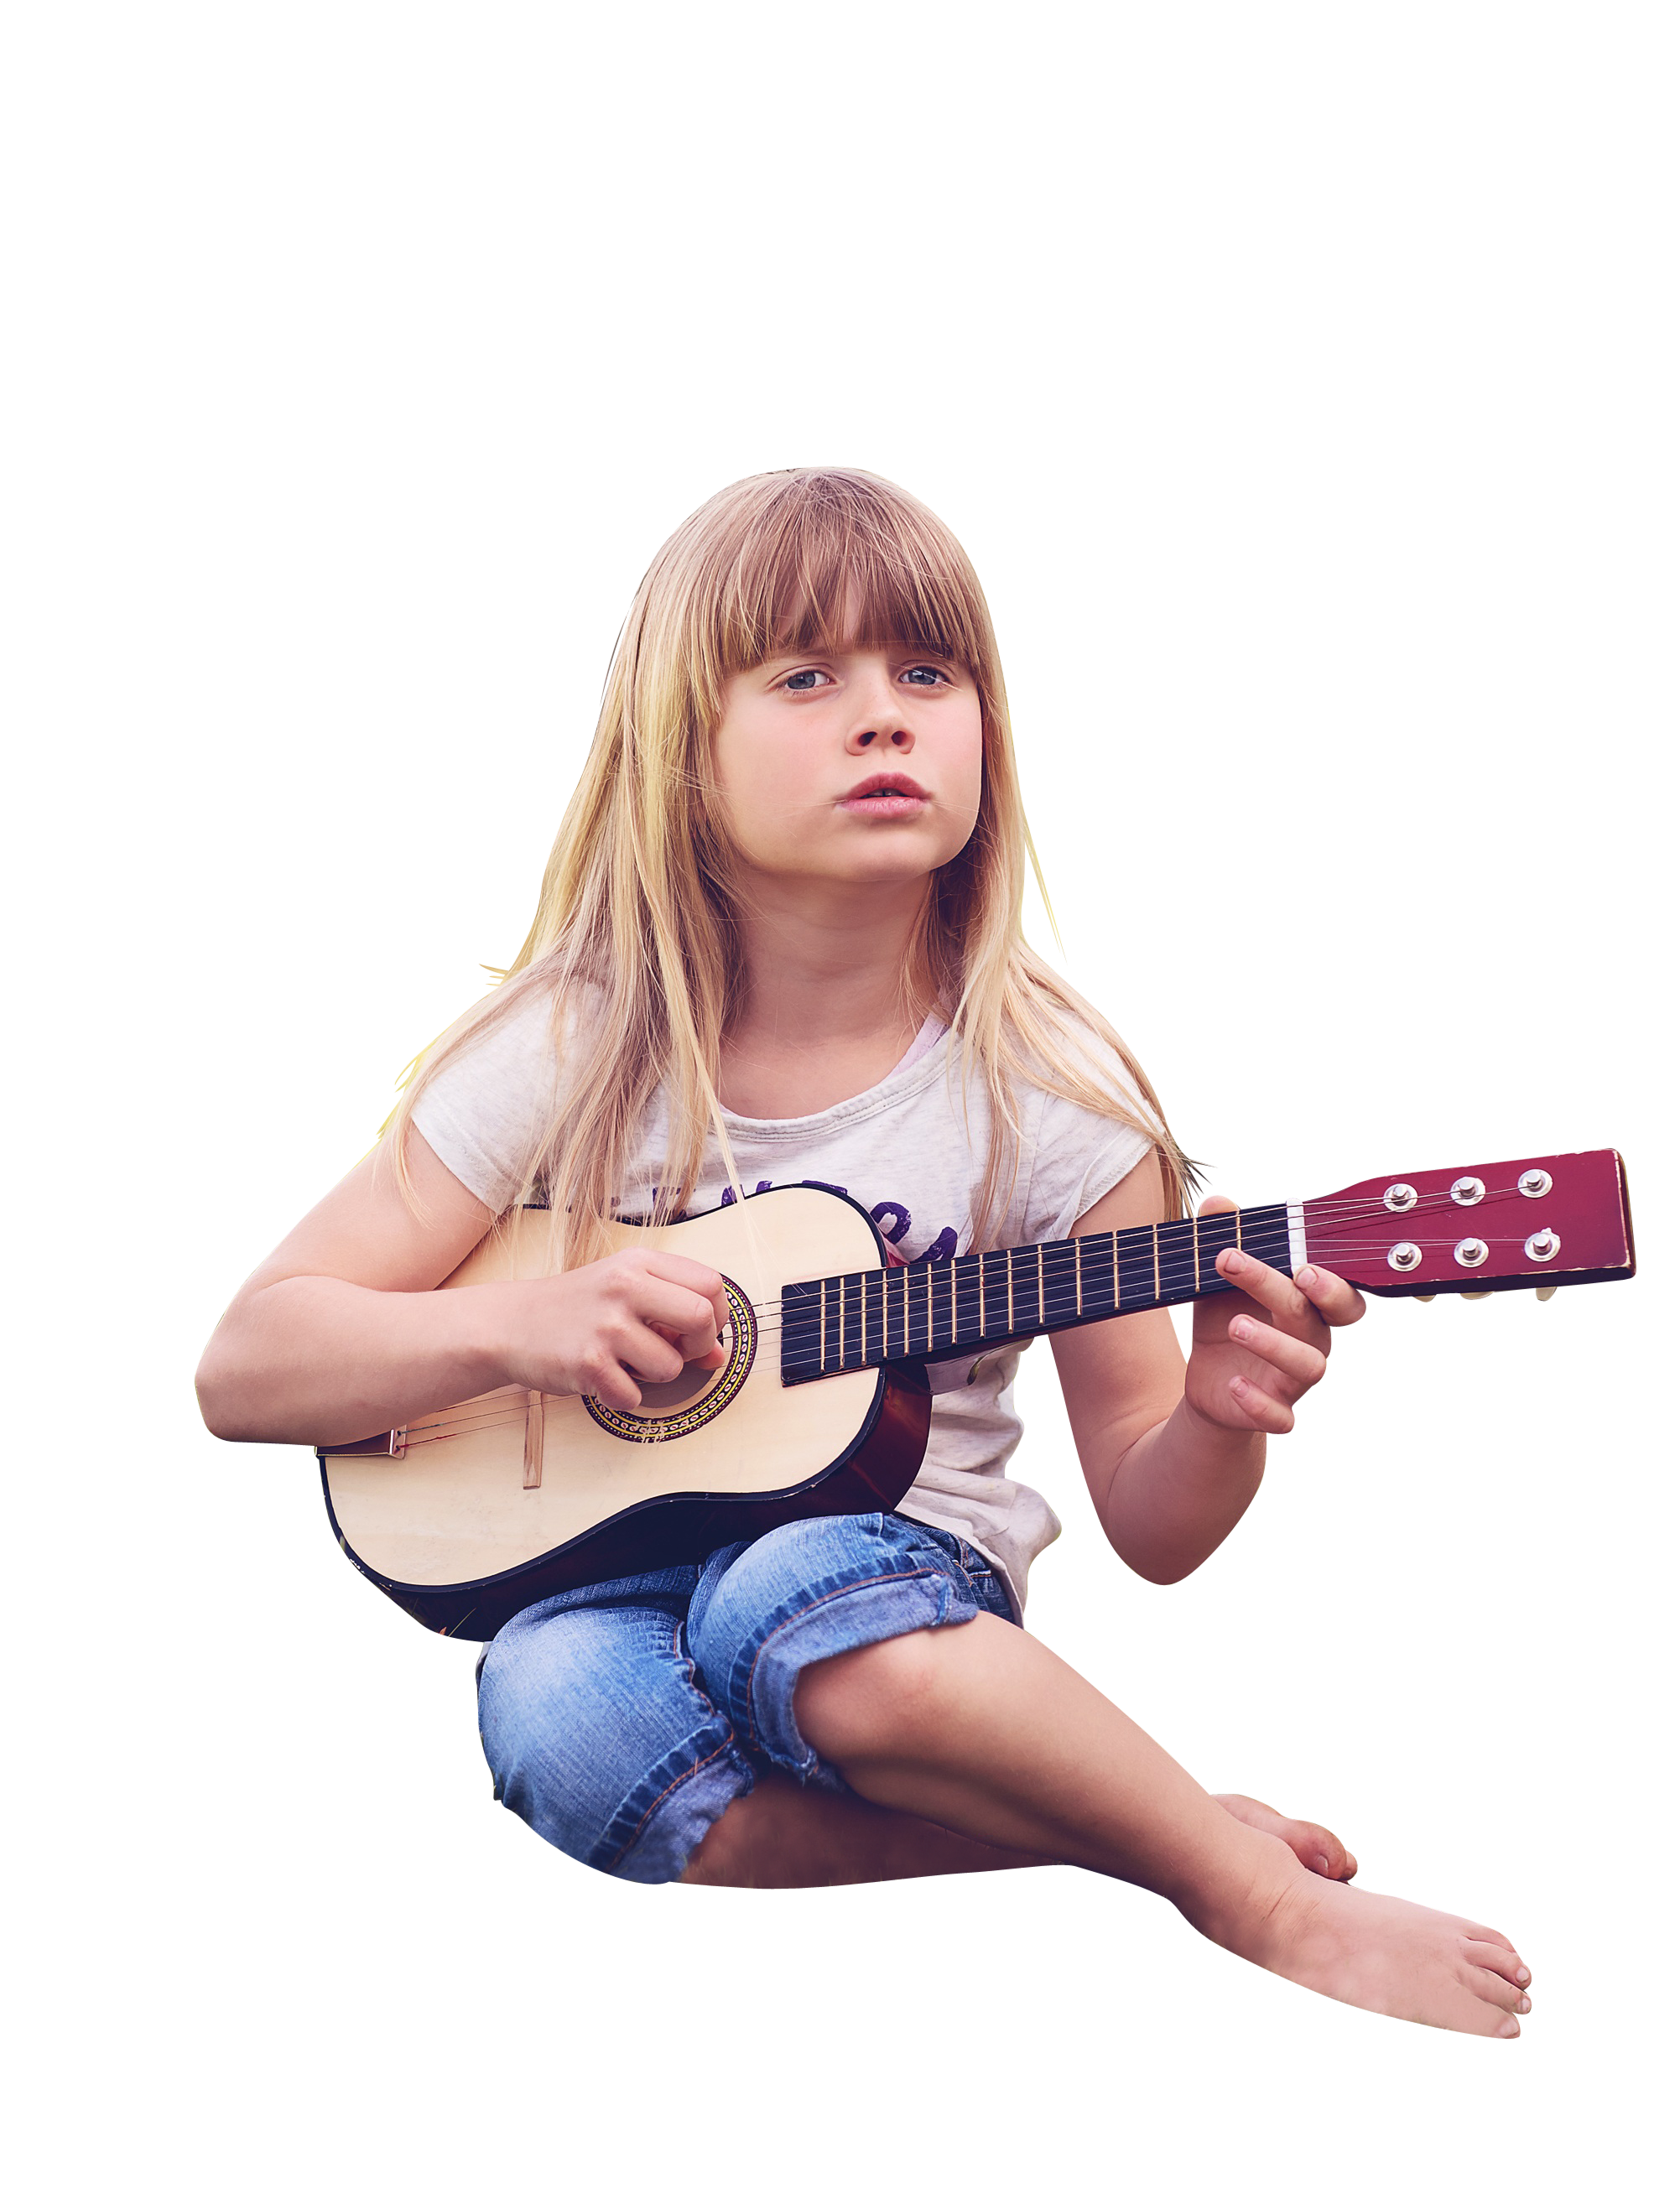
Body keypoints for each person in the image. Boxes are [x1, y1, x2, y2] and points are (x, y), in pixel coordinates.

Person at [197, 465, 1532, 2038]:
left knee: (784, 1600)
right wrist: (523, 1329)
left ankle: (1264, 1900)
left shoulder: (1053, 1096)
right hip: (588, 1578)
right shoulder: (572, 1044)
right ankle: (1123, 1845)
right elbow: (249, 1368)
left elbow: (1155, 1526)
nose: (883, 717)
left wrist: (1217, 1422)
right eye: (805, 677)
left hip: (887, 1586)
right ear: (680, 759)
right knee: (548, 1715)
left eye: (927, 672)